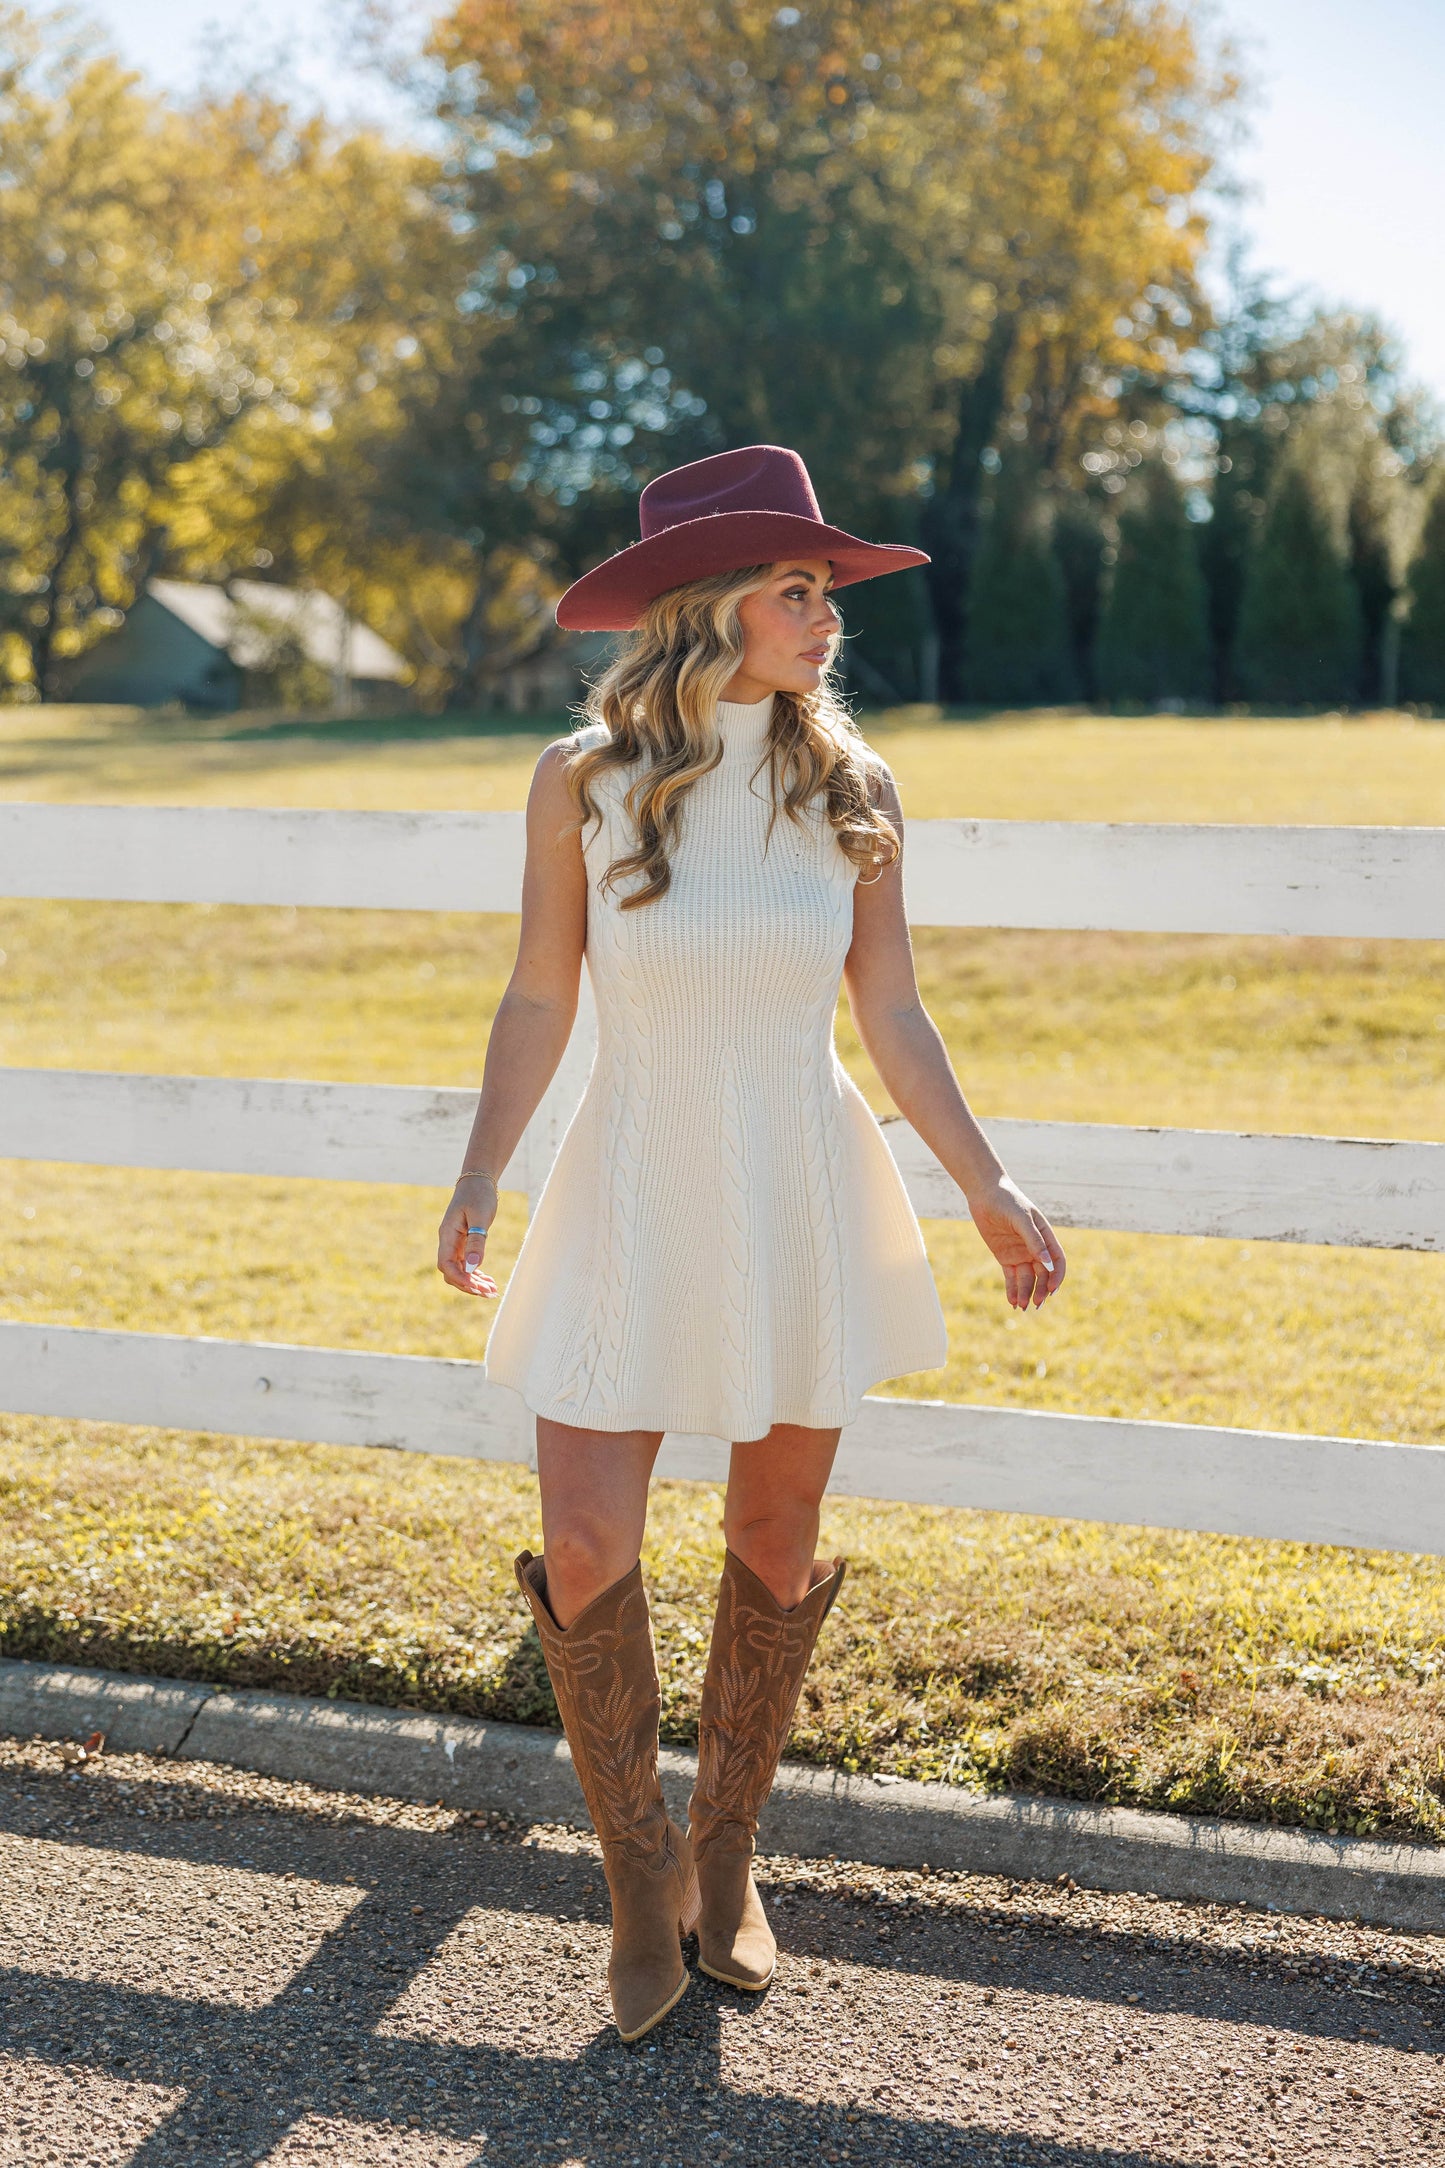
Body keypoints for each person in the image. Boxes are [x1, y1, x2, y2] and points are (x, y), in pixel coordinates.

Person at [436, 444, 1065, 2043]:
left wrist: (983, 1182)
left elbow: (893, 1010)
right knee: (583, 1544)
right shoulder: (579, 777)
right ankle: (634, 1876)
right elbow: (536, 991)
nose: (821, 615)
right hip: (632, 1183)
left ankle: (726, 1857)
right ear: (706, 604)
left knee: (776, 1548)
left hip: (796, 1183)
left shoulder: (853, 788)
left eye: (825, 589)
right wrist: (480, 1171)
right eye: (795, 588)